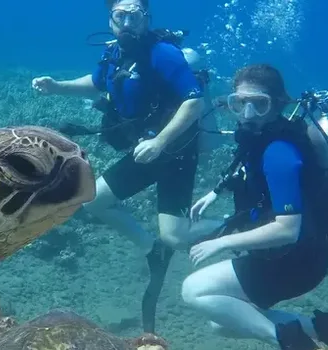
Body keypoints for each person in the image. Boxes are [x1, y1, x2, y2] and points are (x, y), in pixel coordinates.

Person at [30, 0, 210, 334]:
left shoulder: (162, 54)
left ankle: (237, 226)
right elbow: (98, 82)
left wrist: (161, 143)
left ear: (147, 20)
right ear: (110, 20)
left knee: (176, 234)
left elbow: (194, 101)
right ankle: (150, 249)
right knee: (95, 200)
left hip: (174, 153)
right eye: (120, 15)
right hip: (146, 150)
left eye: (135, 16)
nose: (127, 22)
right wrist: (58, 87)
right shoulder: (114, 54)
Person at [180, 64, 328, 350]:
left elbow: (287, 230)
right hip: (301, 255)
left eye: (259, 105)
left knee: (194, 291)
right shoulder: (265, 139)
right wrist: (216, 192)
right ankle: (325, 329)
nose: (248, 114)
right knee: (223, 323)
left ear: (277, 105)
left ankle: (290, 342)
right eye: (240, 103)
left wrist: (222, 243)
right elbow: (252, 175)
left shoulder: (279, 154)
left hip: (295, 261)